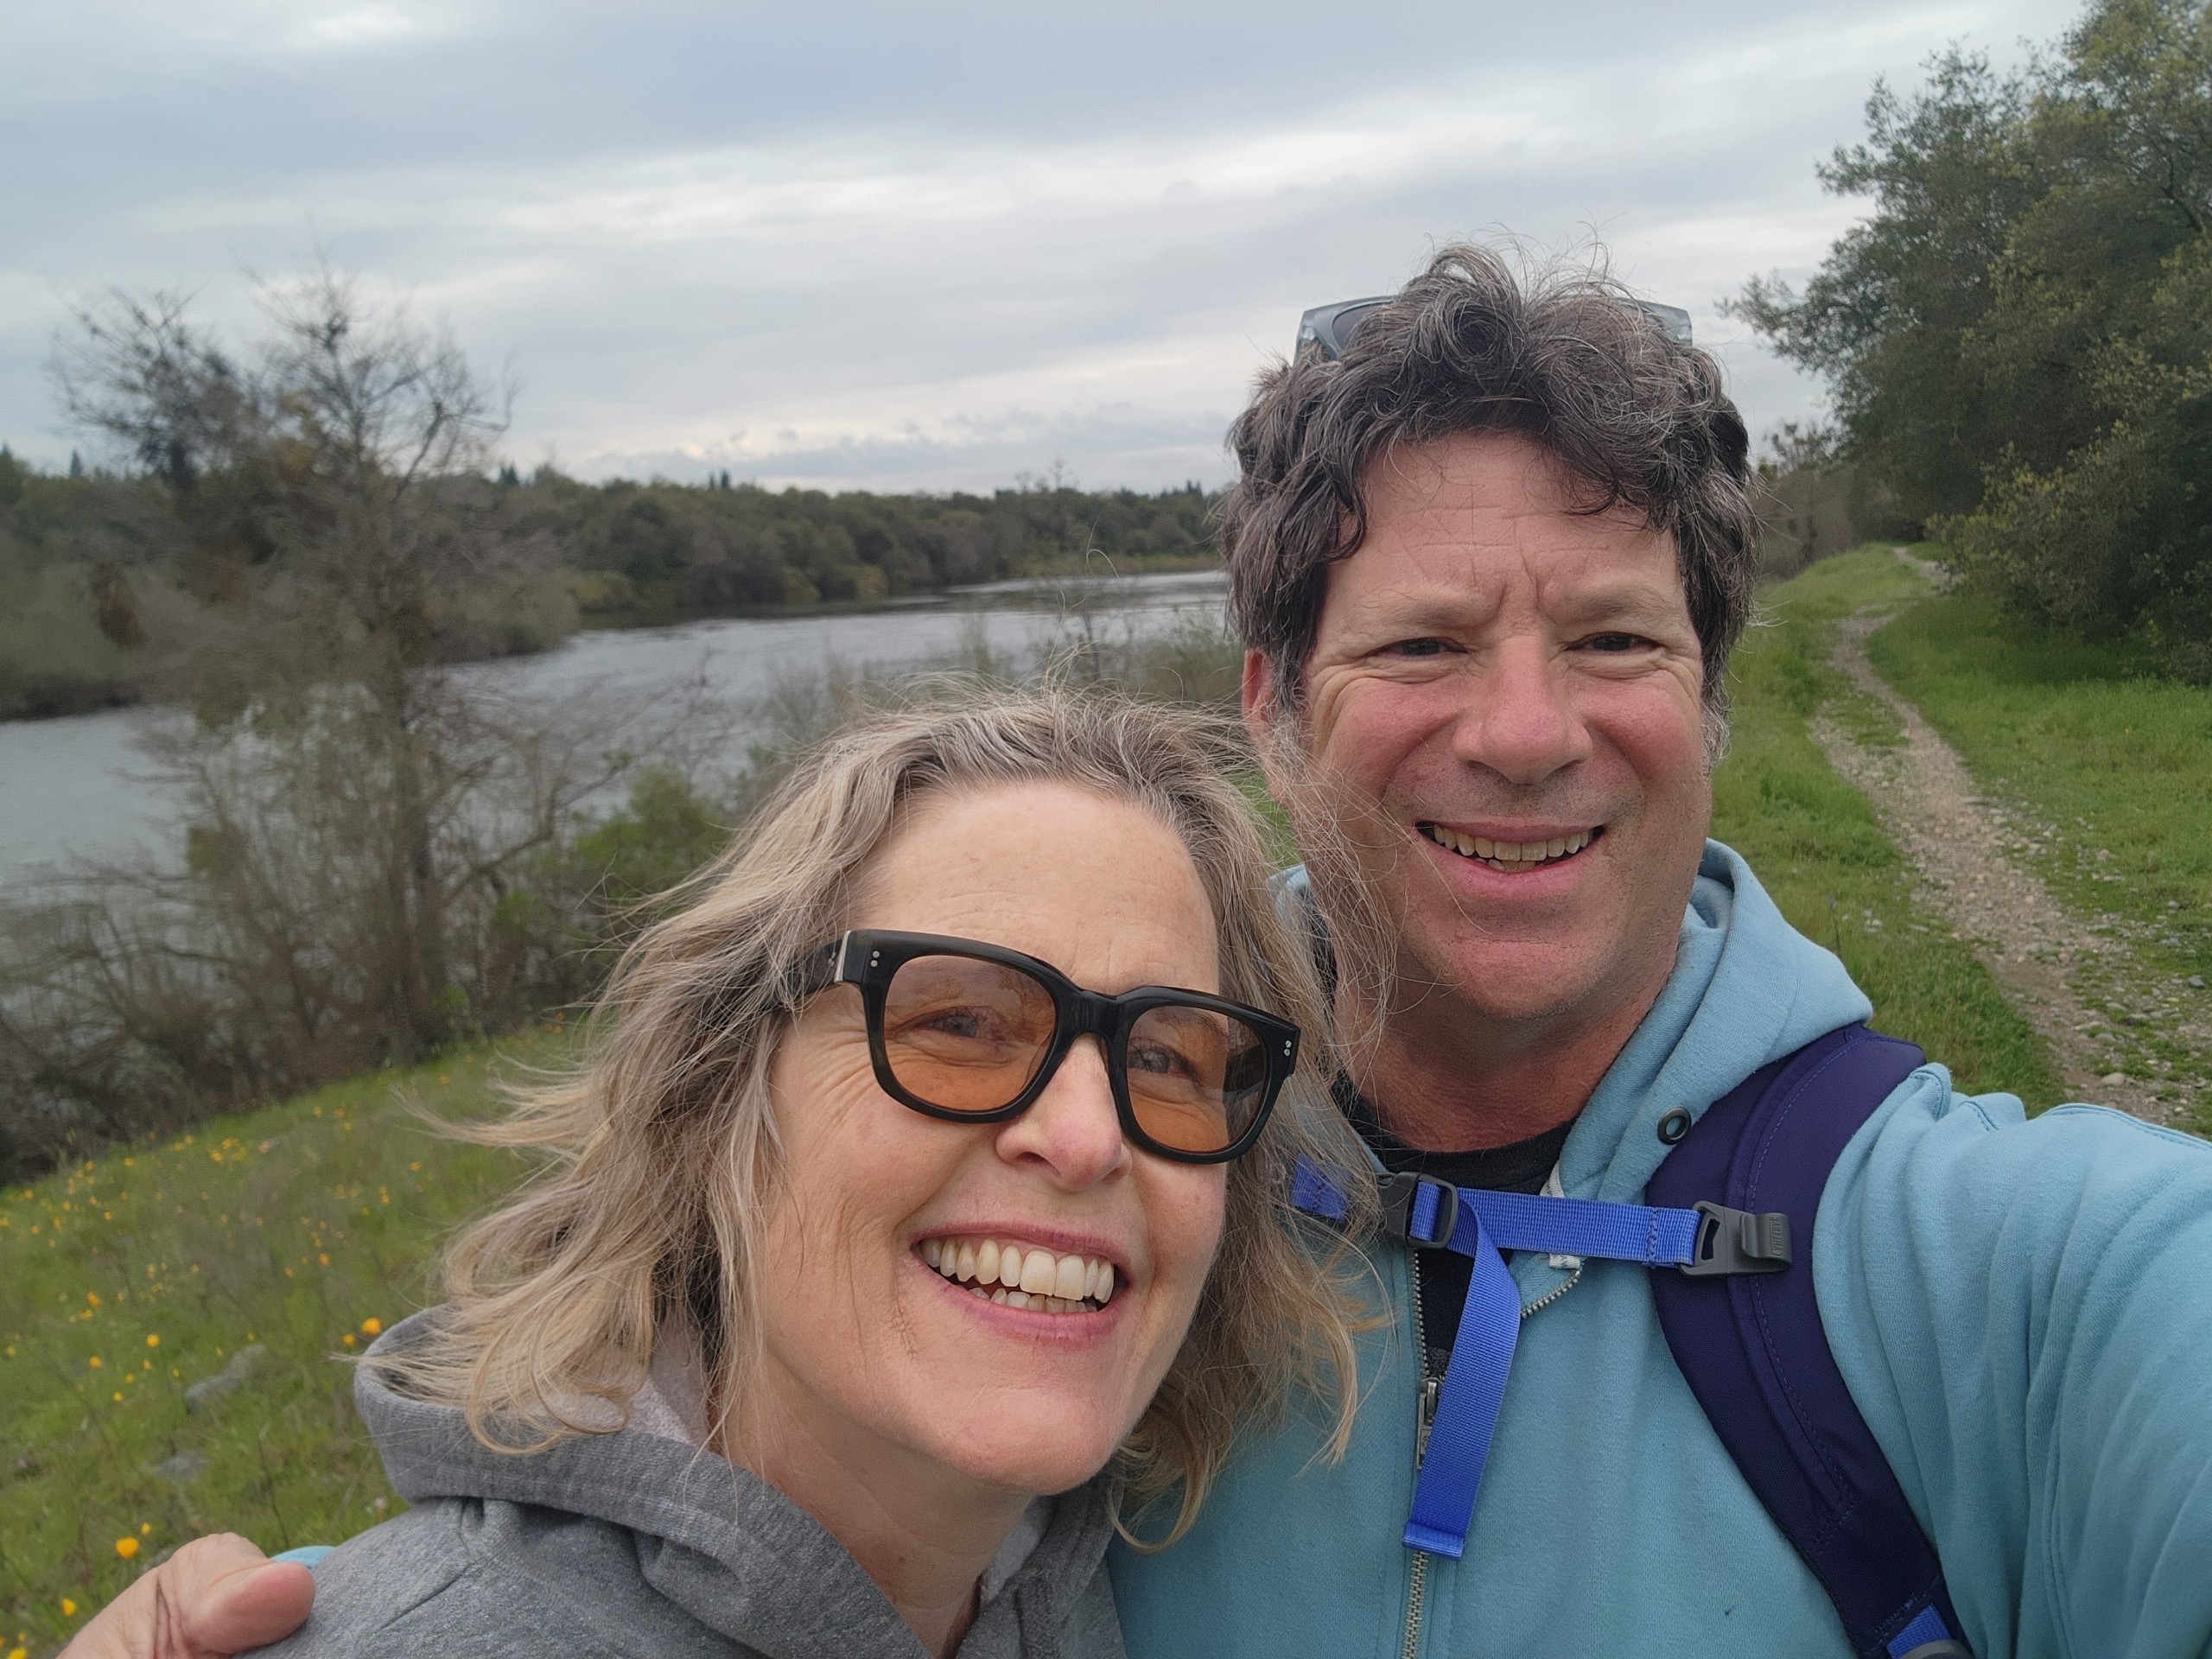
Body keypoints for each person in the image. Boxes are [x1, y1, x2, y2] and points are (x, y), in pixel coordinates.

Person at [77, 244, 2212, 1658]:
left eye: (1614, 641)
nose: (1524, 727)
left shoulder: (2013, 1273)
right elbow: (702, 1476)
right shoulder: (1107, 1203)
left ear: (1710, 704)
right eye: (1422, 644)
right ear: (1271, 706)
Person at [73, 690, 1372, 1659]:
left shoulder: (1089, 1590)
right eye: (960, 1022)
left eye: (1167, 1057)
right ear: (715, 1106)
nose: (1087, 1137)